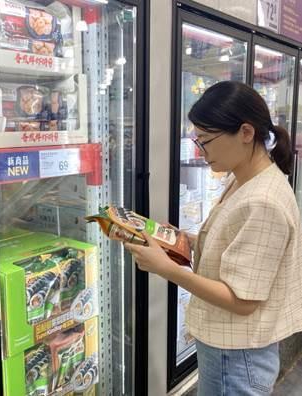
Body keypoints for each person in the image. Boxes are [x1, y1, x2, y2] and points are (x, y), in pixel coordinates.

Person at [124, 81, 302, 395]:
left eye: (205, 141)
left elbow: (243, 301)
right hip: (231, 349)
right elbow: (235, 242)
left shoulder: (262, 200)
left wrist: (166, 268)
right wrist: (185, 240)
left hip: (236, 356)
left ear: (246, 133)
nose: (200, 151)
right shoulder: (246, 178)